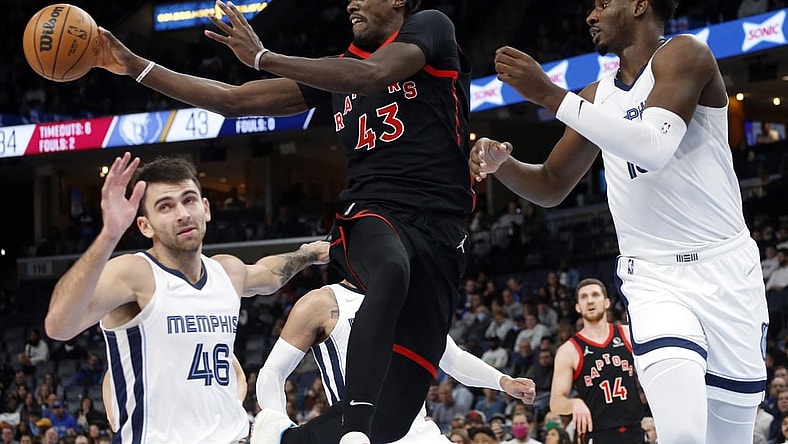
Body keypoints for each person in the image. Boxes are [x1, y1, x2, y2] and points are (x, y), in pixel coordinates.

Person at [94, 0, 473, 442]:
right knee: (390, 268)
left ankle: (284, 439)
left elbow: (373, 75)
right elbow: (231, 101)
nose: (349, 2)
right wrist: (137, 66)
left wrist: (261, 57)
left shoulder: (430, 28)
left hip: (444, 234)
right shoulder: (339, 70)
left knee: (393, 420)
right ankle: (354, 433)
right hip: (373, 212)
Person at [468, 0, 768, 442]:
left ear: (640, 5)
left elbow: (653, 146)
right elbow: (551, 185)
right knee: (682, 434)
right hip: (654, 280)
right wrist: (501, 167)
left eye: (603, 3)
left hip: (727, 273)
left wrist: (550, 94)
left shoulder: (686, 54)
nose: (590, 15)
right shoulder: (595, 96)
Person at [44, 152, 329, 443]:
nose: (182, 213)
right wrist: (109, 235)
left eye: (189, 200)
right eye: (165, 206)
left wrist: (311, 253)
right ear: (144, 225)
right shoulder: (135, 272)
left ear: (205, 208)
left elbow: (268, 275)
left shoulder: (226, 271)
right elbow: (59, 326)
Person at [255, 281, 536, 443]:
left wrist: (503, 382)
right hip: (362, 433)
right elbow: (273, 371)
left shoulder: (409, 297)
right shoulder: (322, 302)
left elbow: (453, 358)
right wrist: (276, 426)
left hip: (420, 430)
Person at [550, 279, 644, 443]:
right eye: (584, 297)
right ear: (578, 307)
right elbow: (556, 402)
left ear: (607, 302)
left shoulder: (628, 335)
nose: (590, 300)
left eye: (595, 295)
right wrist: (574, 403)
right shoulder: (569, 350)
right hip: (598, 433)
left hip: (634, 429)